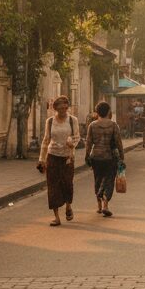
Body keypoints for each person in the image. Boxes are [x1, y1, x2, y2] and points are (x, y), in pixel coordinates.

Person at [37, 95, 79, 226]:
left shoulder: (73, 120)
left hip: (67, 157)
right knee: (53, 187)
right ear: (55, 109)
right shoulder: (50, 122)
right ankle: (56, 217)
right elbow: (45, 140)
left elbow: (77, 136)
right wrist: (41, 159)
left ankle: (68, 206)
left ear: (67, 108)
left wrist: (72, 142)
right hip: (53, 156)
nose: (63, 110)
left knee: (67, 184)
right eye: (60, 108)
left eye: (65, 107)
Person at [85, 101, 124, 217]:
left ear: (97, 112)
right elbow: (118, 142)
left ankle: (98, 205)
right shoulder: (113, 125)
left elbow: (88, 142)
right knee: (108, 180)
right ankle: (105, 205)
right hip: (109, 157)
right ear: (108, 112)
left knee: (98, 180)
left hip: (96, 157)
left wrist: (87, 156)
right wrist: (122, 156)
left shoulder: (92, 125)